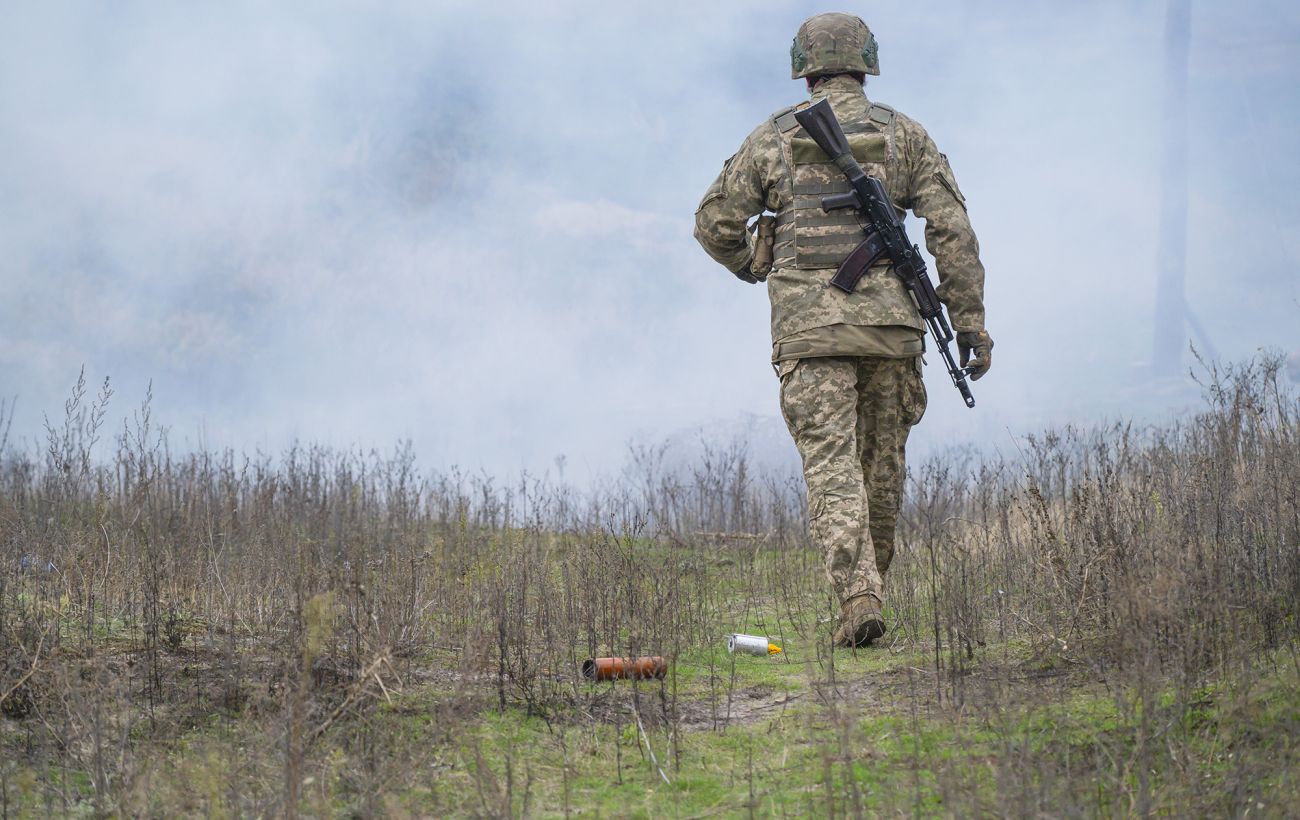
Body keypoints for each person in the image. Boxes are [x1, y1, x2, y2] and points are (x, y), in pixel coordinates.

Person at [693, 12, 993, 648]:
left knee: (834, 469)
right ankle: (868, 594)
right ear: (866, 65)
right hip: (891, 332)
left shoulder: (773, 137)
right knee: (881, 469)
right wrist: (969, 321)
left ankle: (859, 597)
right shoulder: (903, 135)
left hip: (811, 335)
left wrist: (755, 260)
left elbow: (714, 223)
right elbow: (953, 232)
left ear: (804, 72)